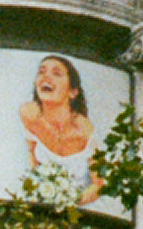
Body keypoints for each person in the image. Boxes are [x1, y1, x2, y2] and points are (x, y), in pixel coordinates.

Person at [17, 53, 100, 204]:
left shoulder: (85, 130)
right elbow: (32, 157)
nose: (46, 77)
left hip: (83, 206)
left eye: (56, 74)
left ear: (72, 92)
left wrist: (68, 203)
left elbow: (99, 185)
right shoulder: (29, 114)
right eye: (41, 72)